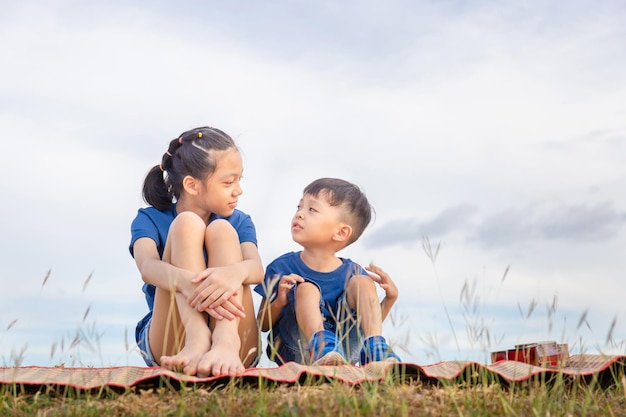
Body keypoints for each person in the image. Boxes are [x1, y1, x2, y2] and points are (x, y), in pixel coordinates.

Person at [130, 126, 263, 377]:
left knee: (221, 229)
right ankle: (197, 336)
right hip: (174, 340)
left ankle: (224, 341)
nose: (238, 190)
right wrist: (187, 284)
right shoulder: (150, 218)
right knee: (186, 223)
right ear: (192, 185)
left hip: (237, 341)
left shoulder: (240, 222)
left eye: (239, 180)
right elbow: (147, 268)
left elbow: (256, 269)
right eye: (228, 182)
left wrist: (233, 274)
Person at [255, 177, 401, 366]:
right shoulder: (280, 267)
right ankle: (322, 348)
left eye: (312, 210)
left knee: (362, 283)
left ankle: (375, 353)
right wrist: (279, 301)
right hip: (298, 350)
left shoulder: (353, 273)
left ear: (340, 233)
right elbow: (262, 324)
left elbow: (367, 323)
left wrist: (390, 299)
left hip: (346, 353)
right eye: (299, 207)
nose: (299, 214)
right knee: (306, 289)